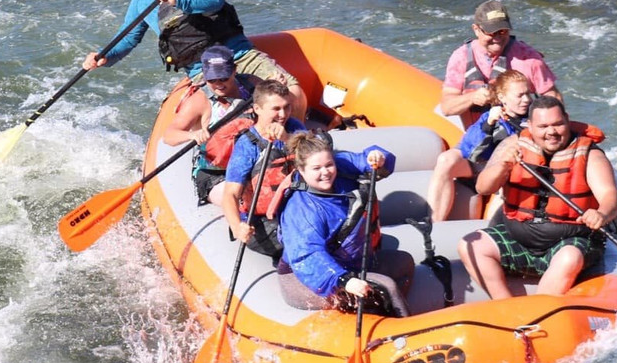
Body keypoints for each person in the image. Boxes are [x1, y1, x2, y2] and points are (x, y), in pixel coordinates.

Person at [82, 0, 307, 119]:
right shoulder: (142, 0)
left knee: (294, 92)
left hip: (240, 55)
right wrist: (106, 56)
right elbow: (129, 38)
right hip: (203, 70)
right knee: (233, 116)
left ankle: (297, 139)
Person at [457, 96, 617, 299]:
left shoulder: (590, 155)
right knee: (469, 244)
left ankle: (540, 314)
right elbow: (483, 187)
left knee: (569, 257)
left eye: (557, 124)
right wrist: (502, 166)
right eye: (543, 126)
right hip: (520, 239)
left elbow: (610, 195)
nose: (551, 132)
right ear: (531, 126)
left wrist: (602, 213)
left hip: (569, 241)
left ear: (567, 120)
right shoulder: (512, 145)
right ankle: (505, 306)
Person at [277, 132, 414, 317]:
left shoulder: (340, 167)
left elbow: (364, 160)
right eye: (316, 168)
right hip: (307, 277)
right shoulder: (301, 208)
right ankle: (401, 332)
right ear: (301, 171)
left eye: (329, 165)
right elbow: (307, 255)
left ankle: (381, 315)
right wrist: (343, 280)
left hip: (350, 264)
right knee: (386, 287)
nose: (325, 172)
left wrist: (378, 157)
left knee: (403, 261)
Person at [426, 69, 532, 222]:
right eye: (520, 95)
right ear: (502, 97)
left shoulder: (533, 119)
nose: (526, 99)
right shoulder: (490, 117)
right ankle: (434, 223)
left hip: (504, 172)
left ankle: (491, 230)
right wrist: (488, 124)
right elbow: (470, 151)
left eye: (528, 93)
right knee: (445, 160)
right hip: (478, 166)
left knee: (509, 181)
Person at [441, 0, 560, 129]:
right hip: (477, 136)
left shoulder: (528, 57)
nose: (497, 38)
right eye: (491, 33)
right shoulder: (461, 57)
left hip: (519, 135)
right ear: (476, 29)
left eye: (502, 31)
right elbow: (447, 108)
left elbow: (552, 96)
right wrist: (472, 98)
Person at [163, 45, 258, 206]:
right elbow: (169, 135)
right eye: (212, 80)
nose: (218, 84)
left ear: (234, 70)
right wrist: (192, 135)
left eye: (224, 78)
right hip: (216, 172)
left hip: (252, 162)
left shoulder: (252, 84)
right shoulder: (200, 100)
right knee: (245, 202)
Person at [221, 79, 306, 257]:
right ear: (257, 109)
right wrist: (237, 227)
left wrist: (288, 139)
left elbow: (319, 154)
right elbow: (230, 194)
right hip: (265, 220)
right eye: (276, 109)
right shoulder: (247, 145)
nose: (283, 114)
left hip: (300, 207)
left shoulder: (295, 128)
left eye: (287, 107)